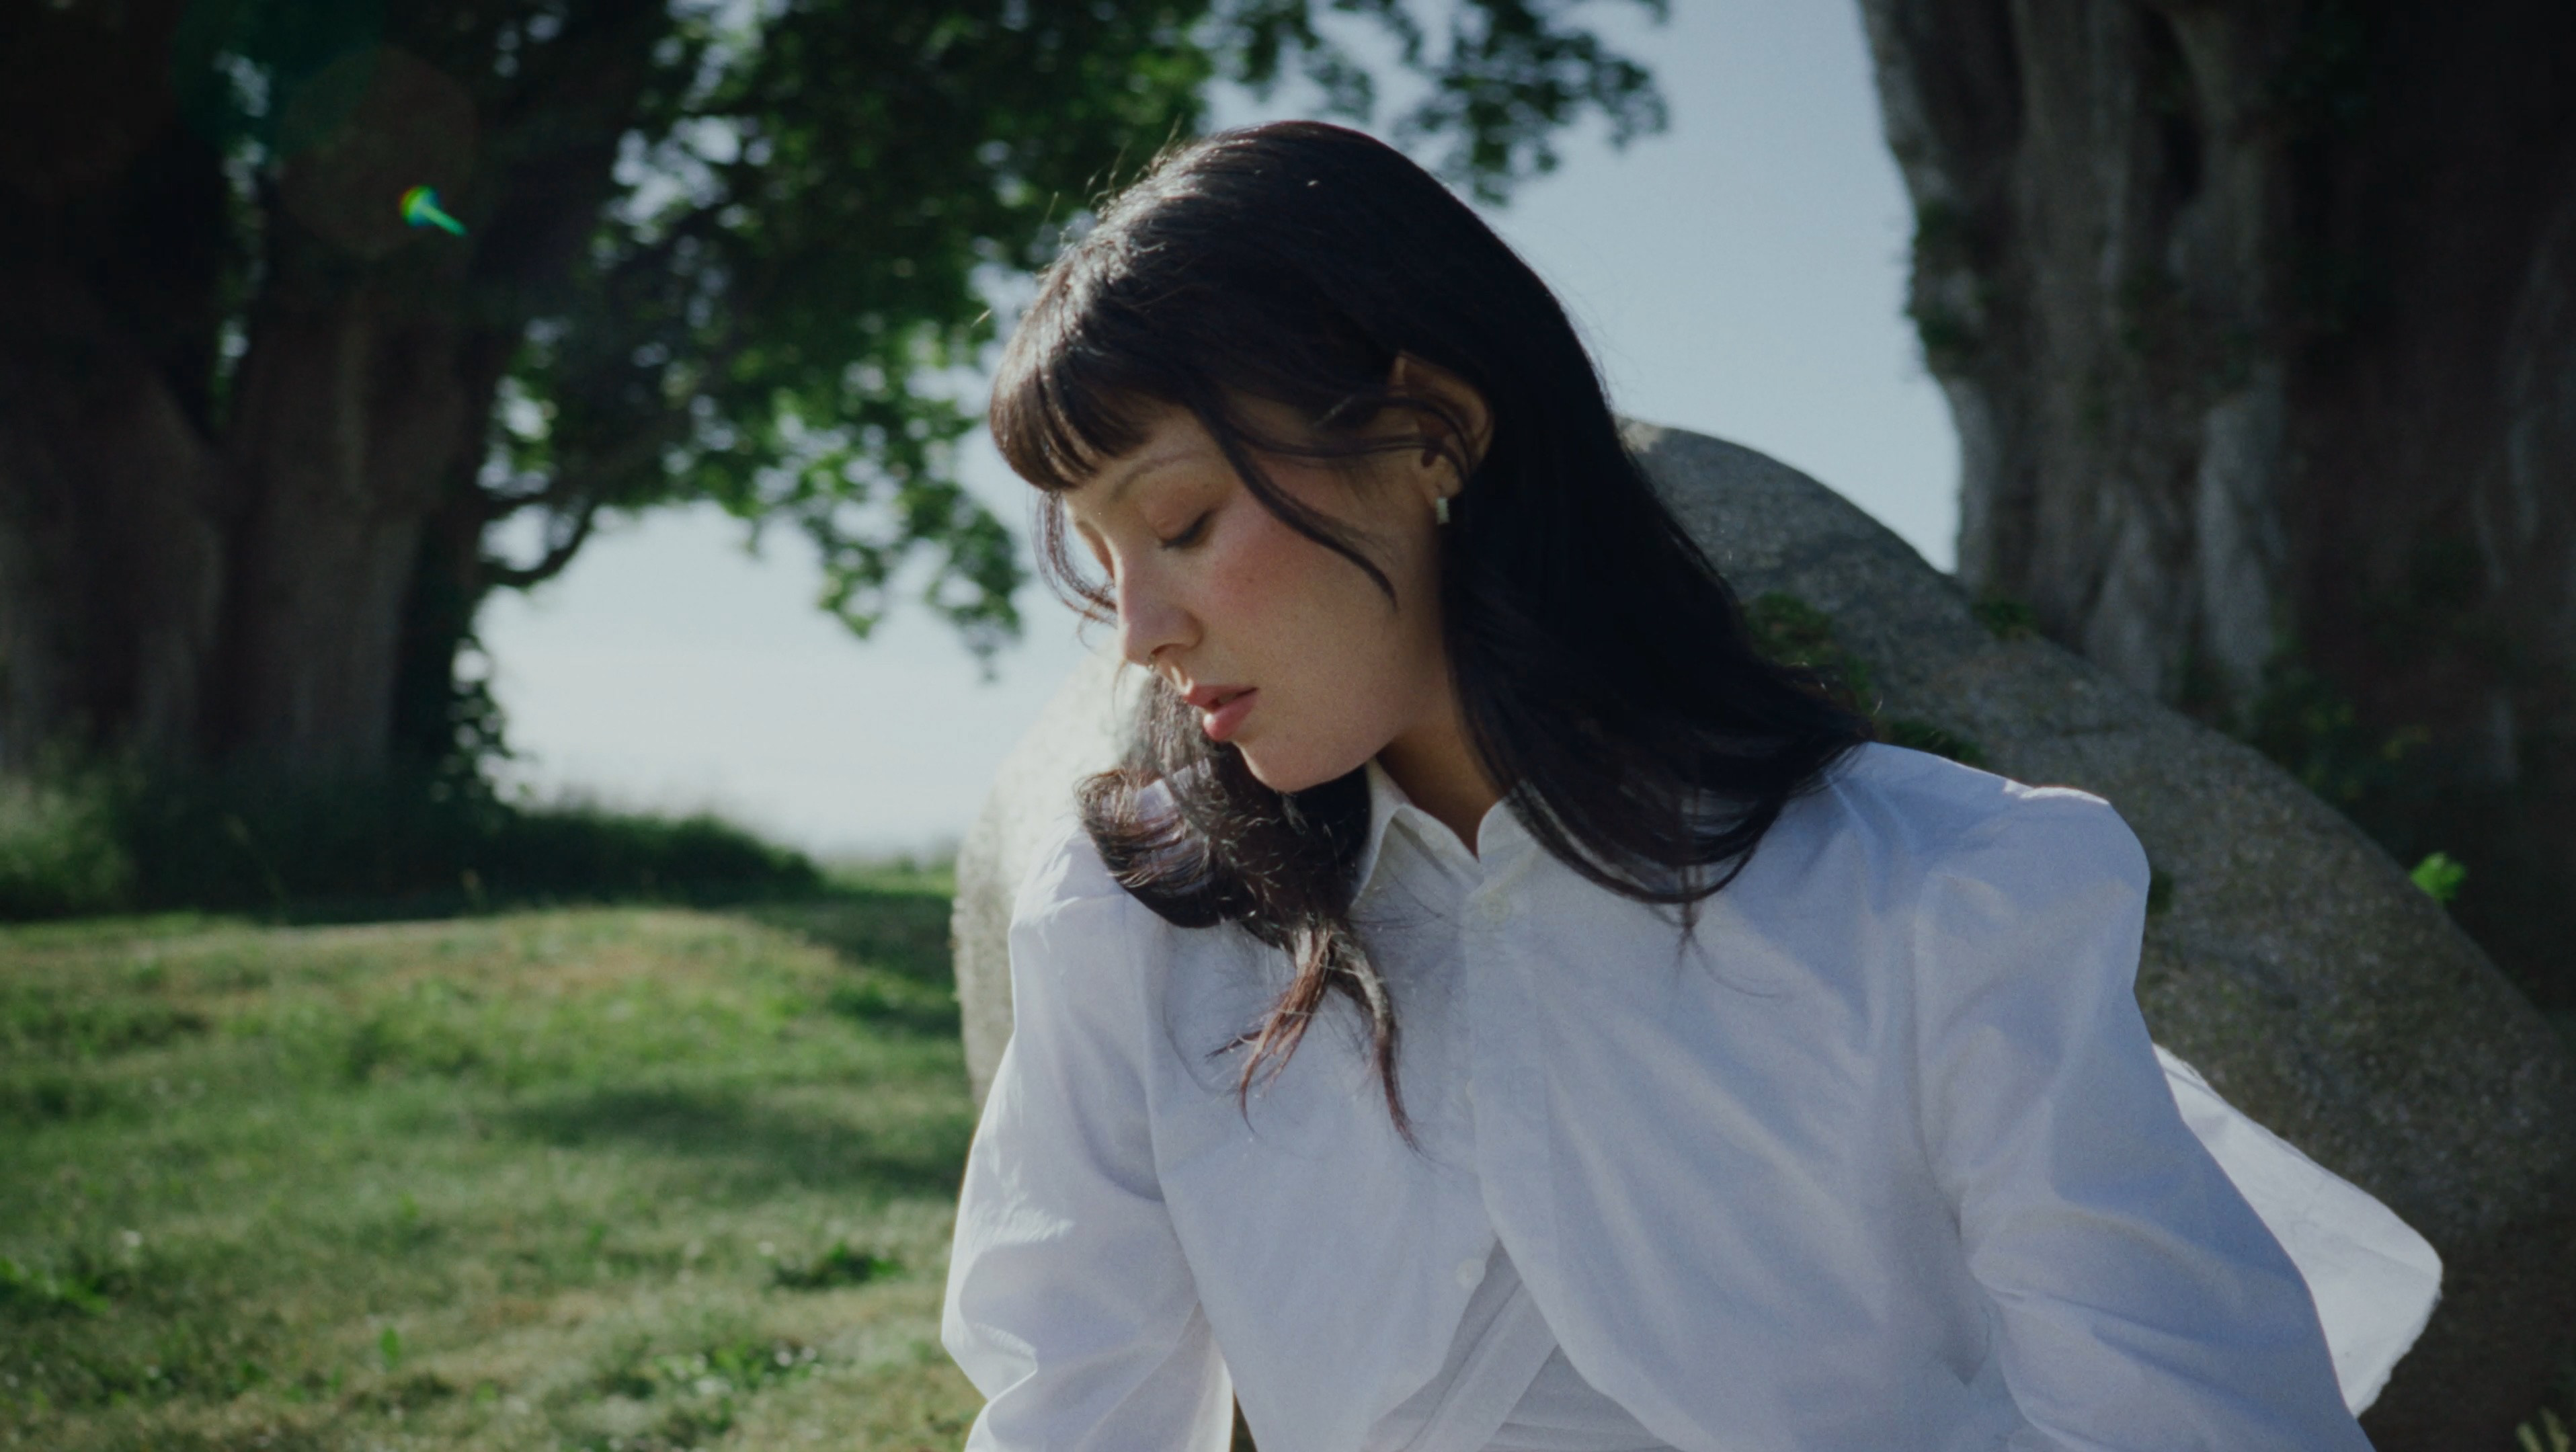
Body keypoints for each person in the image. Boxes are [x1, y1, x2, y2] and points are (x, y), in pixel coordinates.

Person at [939, 119, 2440, 1451]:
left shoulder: (1934, 896)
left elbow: (2186, 1421)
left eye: (1181, 522)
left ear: (1430, 435)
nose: (1139, 630)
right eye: (1100, 556)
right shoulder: (1139, 920)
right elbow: (1070, 1409)